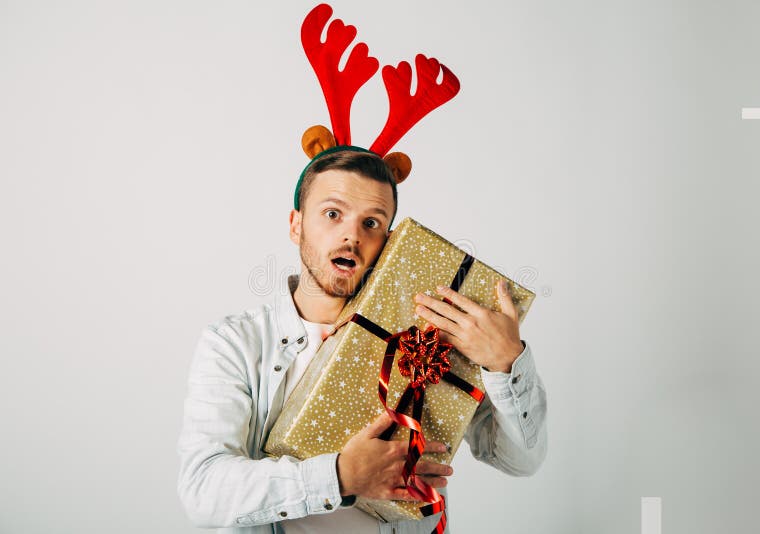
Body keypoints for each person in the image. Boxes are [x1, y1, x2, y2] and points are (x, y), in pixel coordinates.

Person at [176, 149, 548, 533]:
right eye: (333, 214)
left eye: (371, 222)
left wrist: (506, 364)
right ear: (295, 226)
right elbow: (203, 492)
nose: (352, 235)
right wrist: (340, 477)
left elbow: (521, 461)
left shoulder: (427, 337)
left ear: (389, 242)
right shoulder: (235, 343)